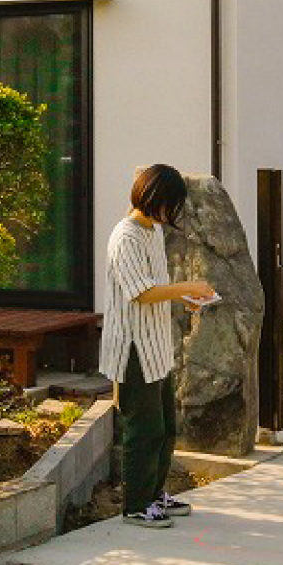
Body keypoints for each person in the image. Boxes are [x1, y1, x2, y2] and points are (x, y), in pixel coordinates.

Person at [99, 163, 215, 529]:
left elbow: (154, 289)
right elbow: (141, 292)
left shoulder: (151, 232)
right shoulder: (126, 236)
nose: (173, 213)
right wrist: (187, 288)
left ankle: (153, 494)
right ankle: (135, 505)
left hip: (155, 347)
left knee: (165, 428)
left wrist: (184, 298)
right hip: (133, 348)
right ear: (154, 199)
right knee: (143, 430)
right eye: (171, 204)